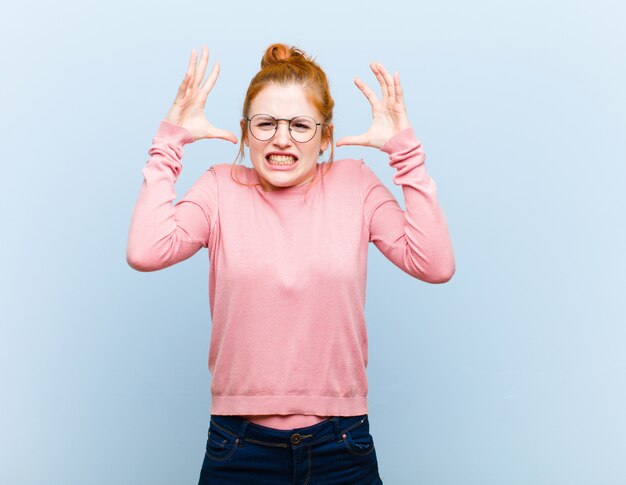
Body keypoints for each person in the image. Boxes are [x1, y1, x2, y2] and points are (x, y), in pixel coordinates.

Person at [126, 43, 455, 484]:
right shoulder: (220, 188)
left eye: (301, 125)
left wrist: (405, 153)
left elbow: (434, 263)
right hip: (237, 446)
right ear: (246, 133)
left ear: (325, 136)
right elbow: (145, 250)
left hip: (341, 444)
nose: (282, 138)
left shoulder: (355, 182)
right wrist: (168, 143)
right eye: (266, 124)